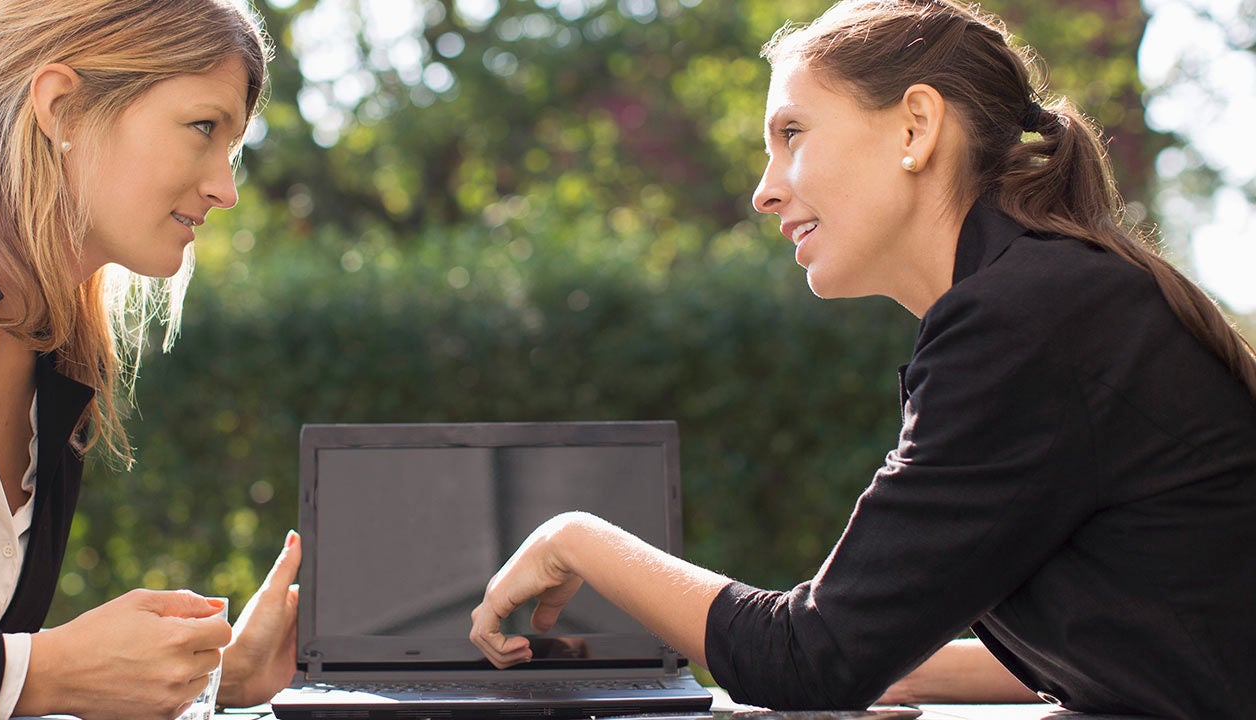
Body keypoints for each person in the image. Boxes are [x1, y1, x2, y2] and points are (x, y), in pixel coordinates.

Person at [467, 0, 1256, 717]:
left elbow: (808, 660)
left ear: (915, 128)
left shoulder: (1023, 321)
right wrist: (898, 661)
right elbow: (1144, 640)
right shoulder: (1048, 298)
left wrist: (574, 537)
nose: (763, 192)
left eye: (791, 135)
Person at [0, 0, 302, 718]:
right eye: (204, 128)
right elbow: (5, 677)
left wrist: (206, 680)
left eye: (230, 148)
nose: (225, 189)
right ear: (63, 107)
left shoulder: (61, 372)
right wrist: (40, 671)